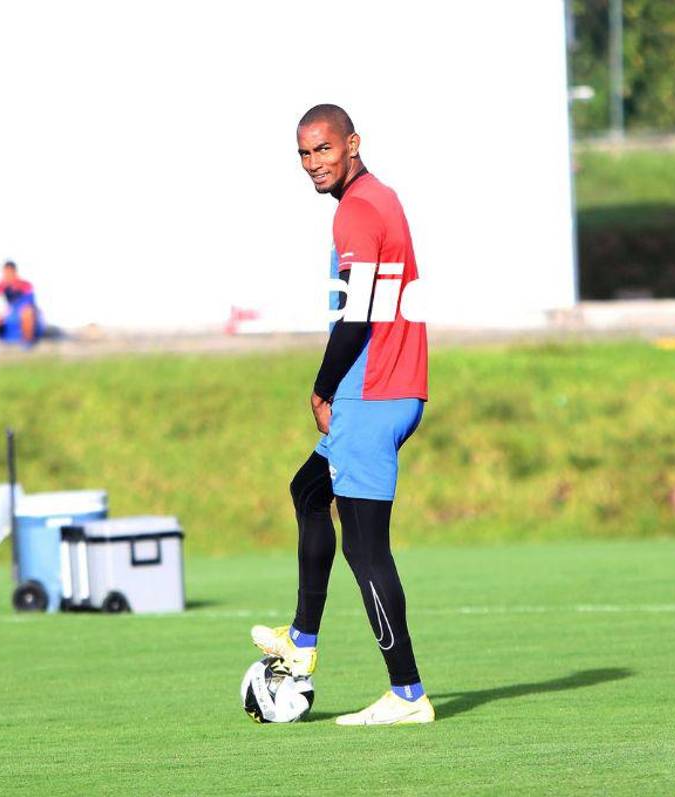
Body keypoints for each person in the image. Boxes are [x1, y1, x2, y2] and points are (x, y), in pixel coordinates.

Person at [249, 104, 432, 724]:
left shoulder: (356, 212)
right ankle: (301, 641)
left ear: (352, 143)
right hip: (390, 390)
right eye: (303, 154)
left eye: (323, 150)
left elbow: (358, 318)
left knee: (366, 549)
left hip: (370, 394)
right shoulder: (381, 198)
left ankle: (406, 693)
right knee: (307, 490)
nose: (313, 165)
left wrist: (322, 388)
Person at [0, 260, 43, 351]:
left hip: (18, 314)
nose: (7, 275)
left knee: (28, 311)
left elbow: (28, 301)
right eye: (5, 273)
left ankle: (27, 342)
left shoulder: (25, 285)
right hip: (3, 318)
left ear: (14, 272)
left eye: (9, 272)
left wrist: (9, 311)